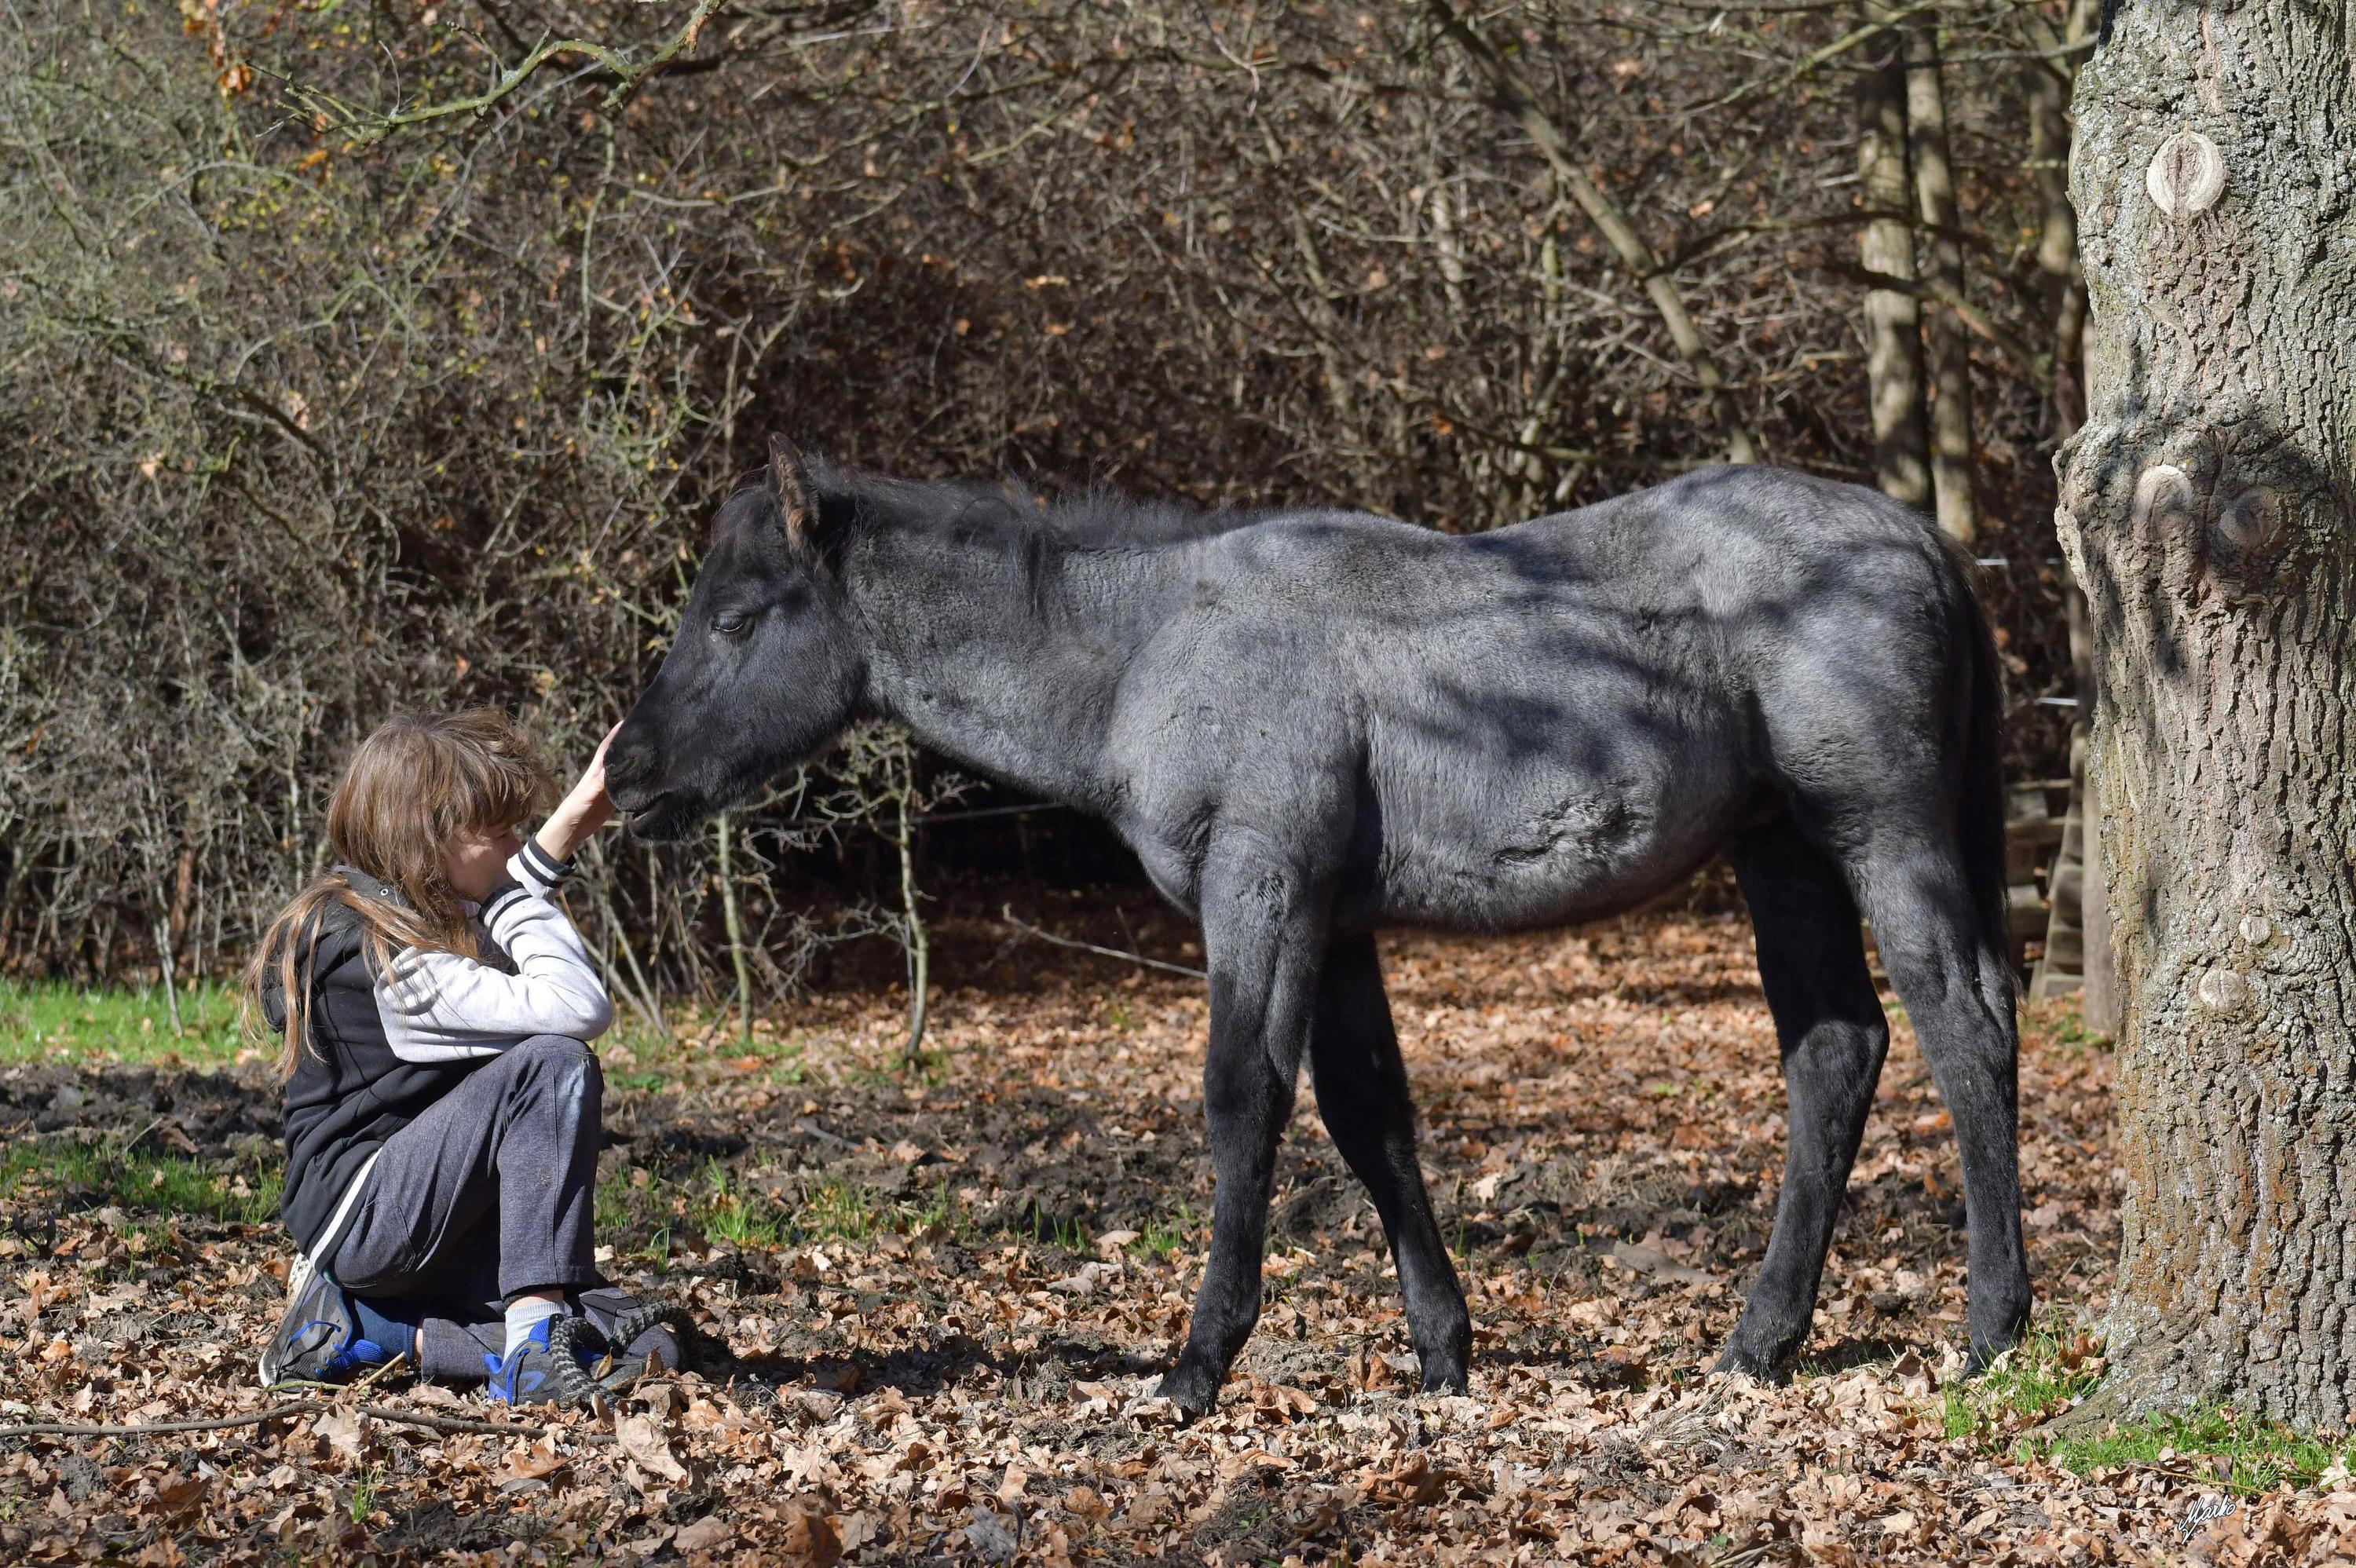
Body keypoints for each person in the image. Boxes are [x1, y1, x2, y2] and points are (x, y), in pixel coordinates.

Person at [248, 709, 679, 1405]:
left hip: (426, 1216)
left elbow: (486, 923)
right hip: (366, 1219)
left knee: (644, 1339)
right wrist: (510, 886)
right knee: (554, 1065)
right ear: (431, 839)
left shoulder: (403, 913)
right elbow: (576, 1005)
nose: (515, 846)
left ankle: (378, 1331)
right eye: (501, 830)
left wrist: (577, 813)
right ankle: (532, 1349)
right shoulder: (381, 960)